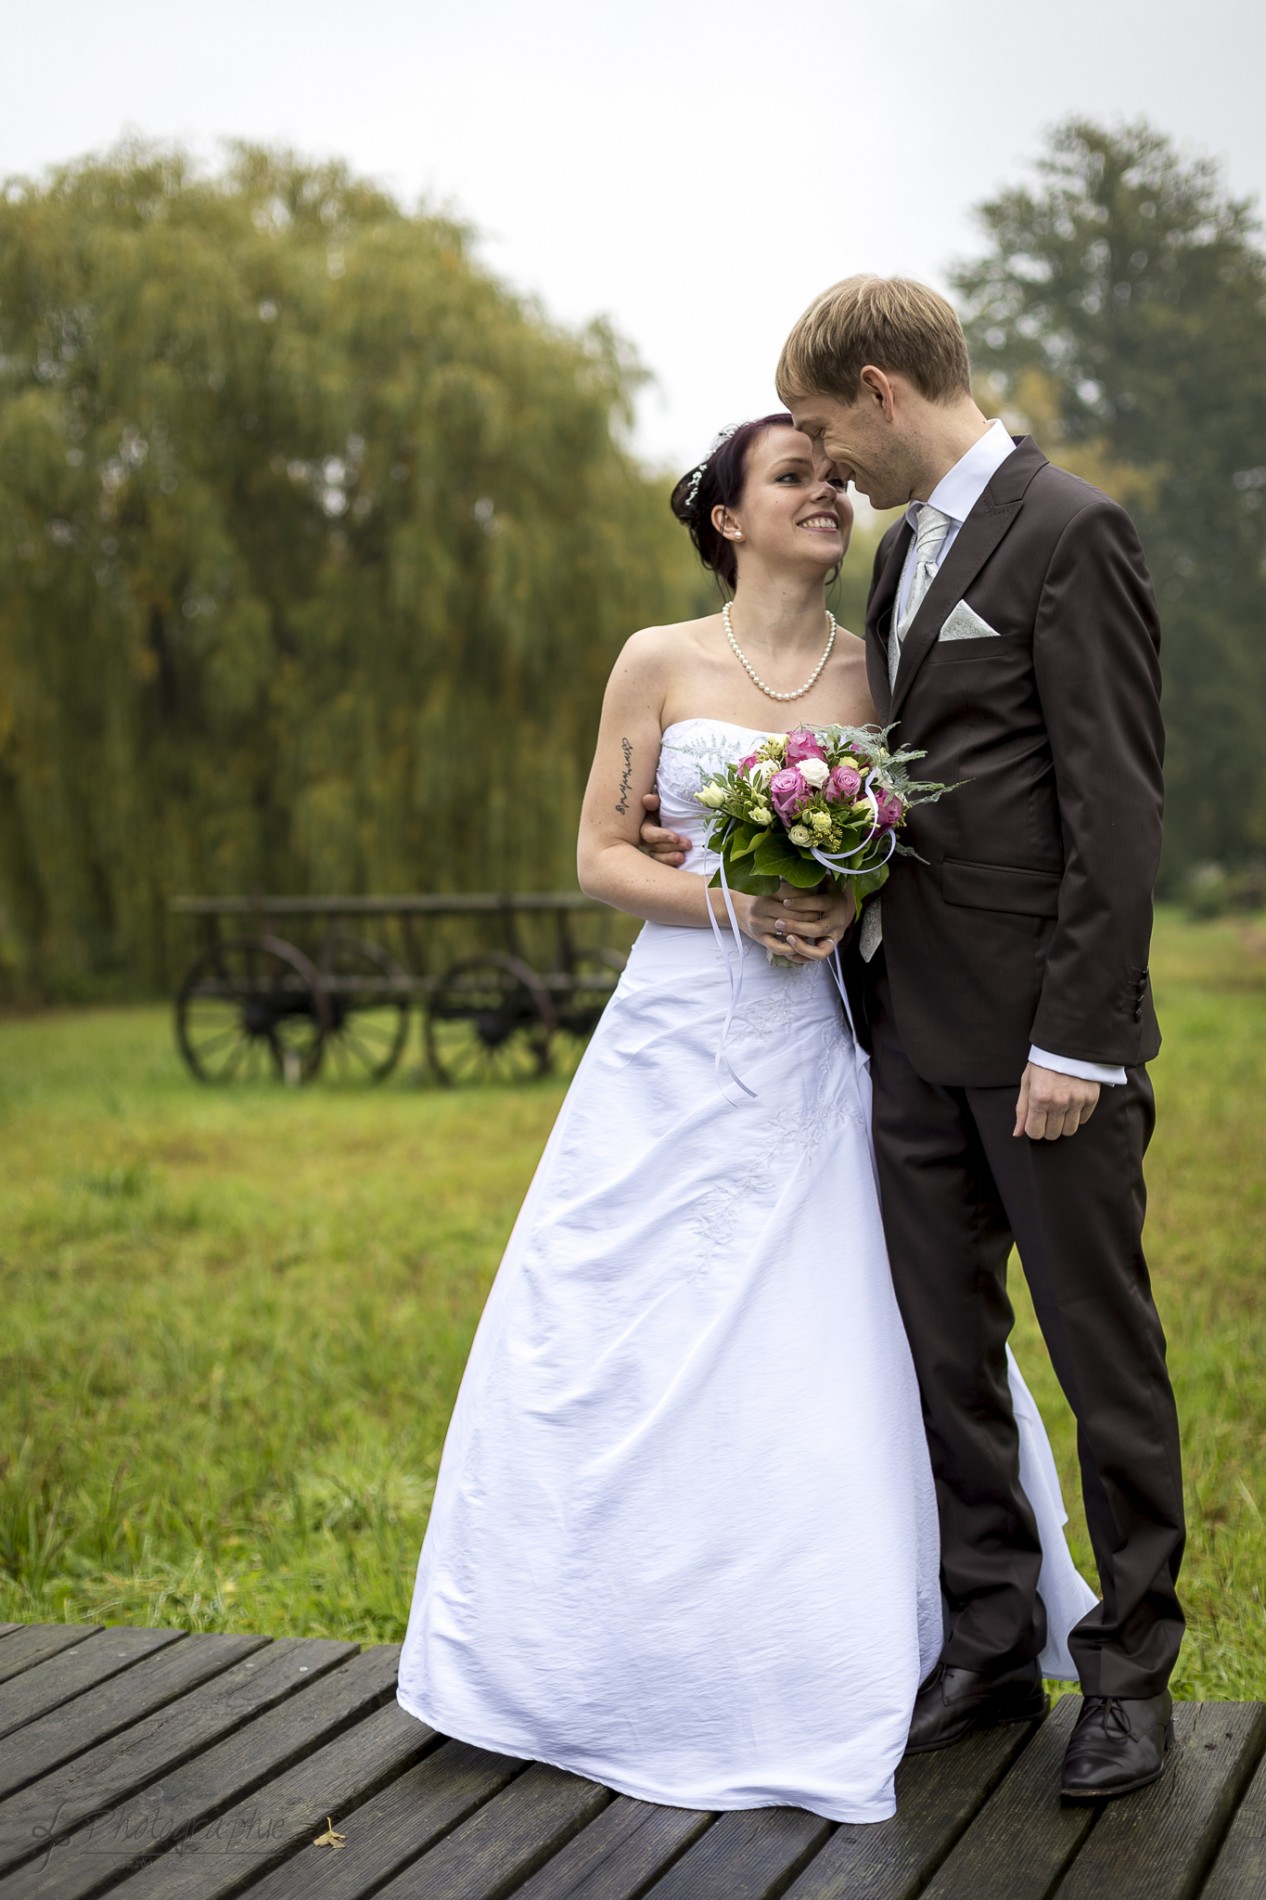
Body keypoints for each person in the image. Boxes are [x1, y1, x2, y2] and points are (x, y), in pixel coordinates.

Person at [396, 412, 1094, 1825]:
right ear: (727, 516)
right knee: (609, 1322)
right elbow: (599, 852)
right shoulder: (656, 661)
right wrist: (731, 896)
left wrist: (845, 892)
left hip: (823, 1052)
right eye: (795, 477)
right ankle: (584, 1649)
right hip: (670, 1042)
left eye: (835, 476)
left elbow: (923, 845)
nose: (828, 493)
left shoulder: (876, 669)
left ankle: (833, 1640)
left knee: (835, 1340)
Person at [642, 278, 1185, 1804]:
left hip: (1044, 1057)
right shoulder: (896, 557)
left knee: (1103, 1360)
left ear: (880, 392)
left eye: (822, 430)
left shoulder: (1070, 529)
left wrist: (1076, 1044)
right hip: (904, 1043)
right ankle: (992, 1644)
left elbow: (1115, 807)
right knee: (947, 1358)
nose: (825, 465)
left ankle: (1130, 1670)